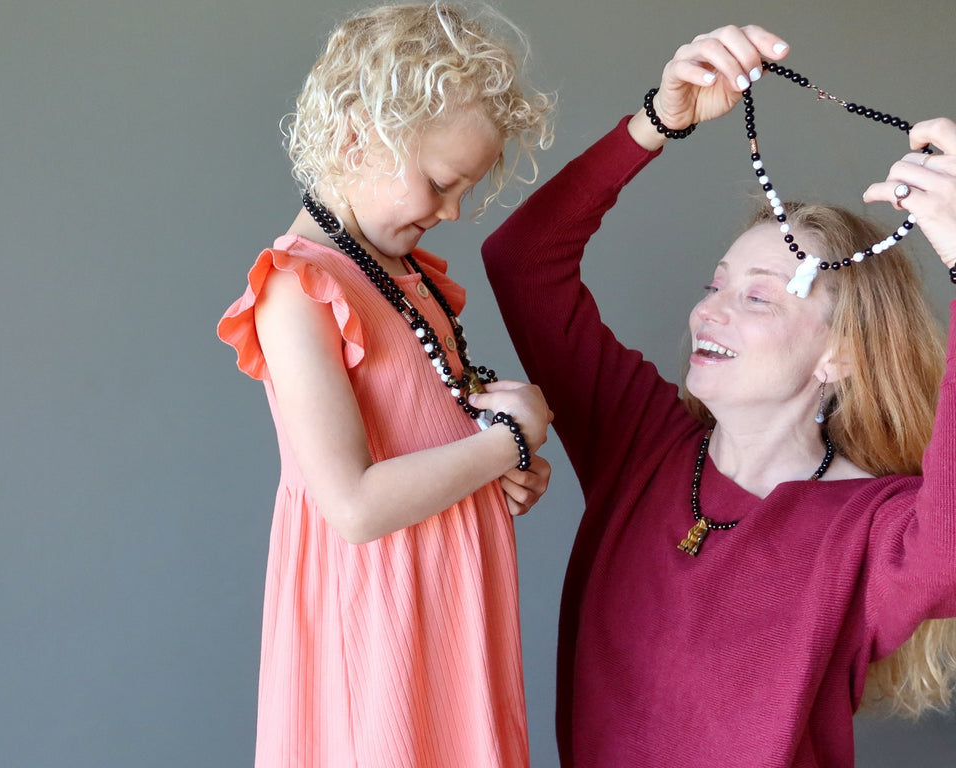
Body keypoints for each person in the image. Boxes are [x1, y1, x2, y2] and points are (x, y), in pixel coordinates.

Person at [482, 23, 956, 768]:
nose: (709, 312)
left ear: (841, 355)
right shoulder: (641, 442)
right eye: (717, 286)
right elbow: (521, 260)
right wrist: (656, 120)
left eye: (759, 299)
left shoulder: (870, 527)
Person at [217, 3, 555, 766]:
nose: (454, 210)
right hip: (381, 611)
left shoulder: (400, 273)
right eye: (439, 183)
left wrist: (498, 467)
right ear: (354, 140)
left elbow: (423, 426)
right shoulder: (298, 289)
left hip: (445, 599)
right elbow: (355, 505)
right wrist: (506, 440)